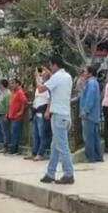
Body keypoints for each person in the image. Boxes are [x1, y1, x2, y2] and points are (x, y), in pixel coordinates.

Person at [37, 55, 75, 185]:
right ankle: (50, 173)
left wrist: (37, 77)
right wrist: (48, 73)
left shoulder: (57, 77)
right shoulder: (67, 76)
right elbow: (54, 80)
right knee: (55, 146)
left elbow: (41, 89)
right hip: (65, 115)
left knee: (63, 146)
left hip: (58, 115)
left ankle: (69, 173)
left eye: (50, 65)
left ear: (54, 65)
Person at [80, 65, 104, 163]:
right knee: (94, 135)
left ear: (90, 73)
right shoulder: (93, 83)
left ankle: (91, 157)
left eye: (85, 72)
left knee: (88, 136)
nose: (83, 74)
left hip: (89, 114)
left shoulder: (91, 83)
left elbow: (89, 98)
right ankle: (98, 155)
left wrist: (85, 111)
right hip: (94, 114)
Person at [26, 70, 51, 161]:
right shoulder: (38, 88)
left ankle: (41, 153)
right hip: (36, 113)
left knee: (42, 135)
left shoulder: (47, 87)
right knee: (35, 134)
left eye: (43, 74)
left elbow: (49, 100)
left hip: (42, 113)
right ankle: (34, 152)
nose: (41, 76)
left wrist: (47, 111)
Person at [7, 78, 27, 155]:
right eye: (11, 83)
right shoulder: (13, 92)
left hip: (17, 117)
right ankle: (12, 149)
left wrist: (21, 111)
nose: (11, 85)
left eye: (13, 83)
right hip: (12, 116)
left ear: (17, 84)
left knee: (15, 133)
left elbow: (24, 101)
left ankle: (14, 150)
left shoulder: (20, 92)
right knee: (13, 133)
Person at [0, 79, 11, 153]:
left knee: (5, 131)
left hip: (3, 114)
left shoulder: (7, 93)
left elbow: (8, 105)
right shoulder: (2, 93)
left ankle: (6, 147)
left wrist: (6, 115)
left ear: (2, 84)